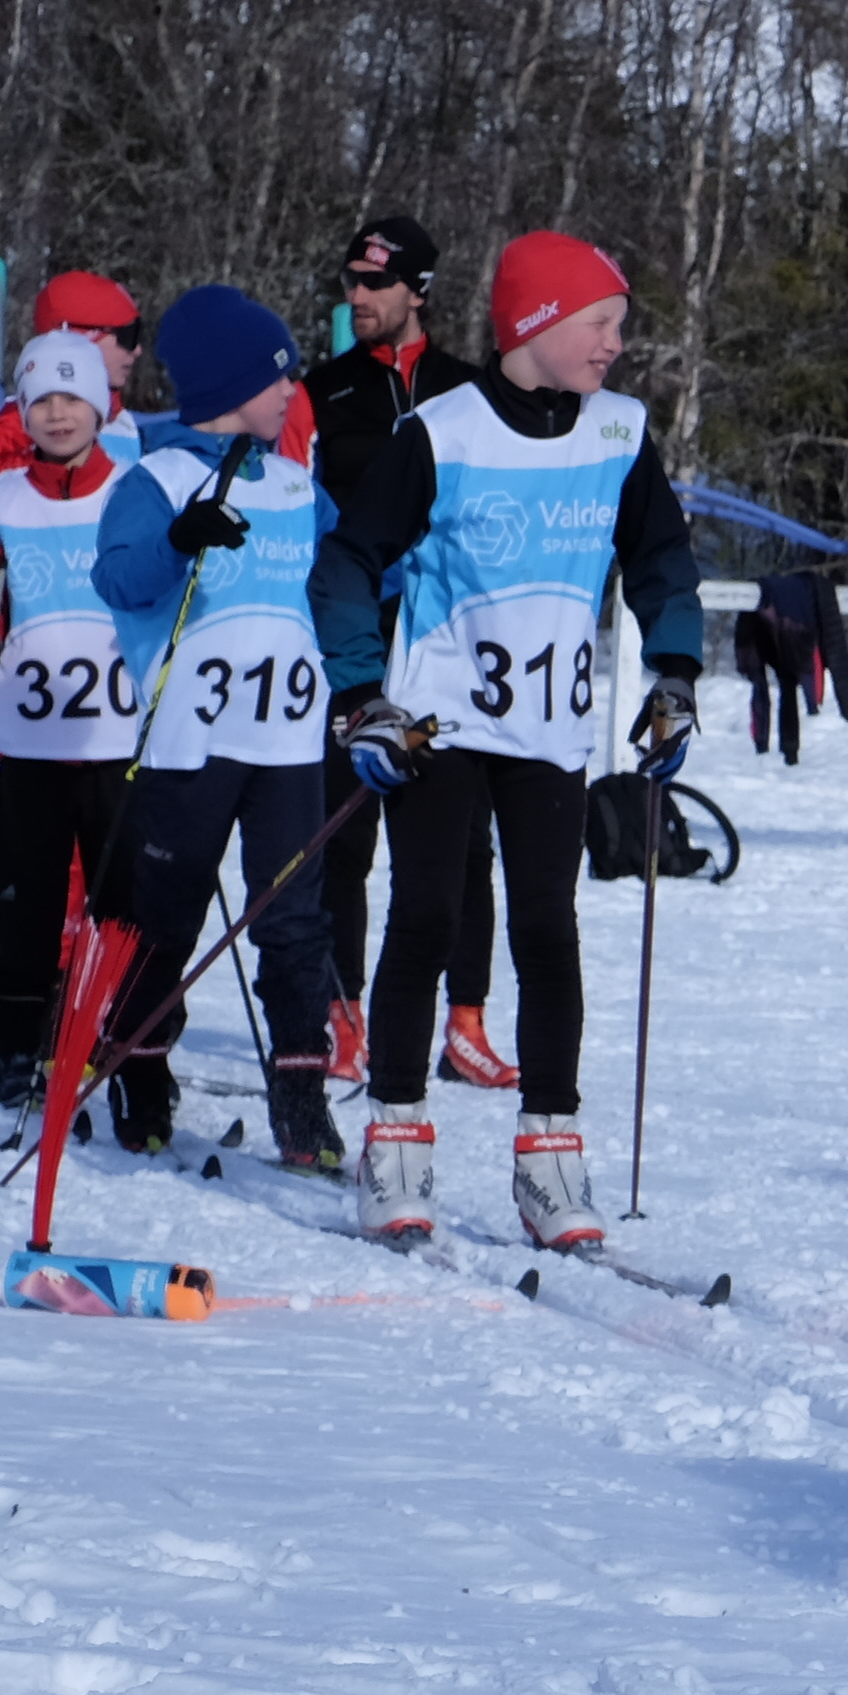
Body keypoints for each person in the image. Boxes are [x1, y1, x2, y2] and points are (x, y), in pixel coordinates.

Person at [311, 230, 709, 1251]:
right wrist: (361, 697)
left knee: (547, 930)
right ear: (535, 323)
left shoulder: (618, 432)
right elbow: (348, 561)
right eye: (599, 323)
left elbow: (660, 556)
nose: (615, 343)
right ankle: (396, 1145)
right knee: (428, 918)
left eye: (619, 324)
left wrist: (674, 673)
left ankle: (549, 1159)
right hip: (439, 724)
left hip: (548, 729)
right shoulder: (442, 433)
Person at [84, 287, 347, 1174]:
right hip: (190, 743)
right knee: (166, 913)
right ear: (234, 384)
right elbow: (119, 580)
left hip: (289, 742)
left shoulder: (296, 483)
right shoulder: (156, 479)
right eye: (280, 377)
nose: (292, 391)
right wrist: (179, 539)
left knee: (295, 921)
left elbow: (346, 575)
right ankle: (140, 1071)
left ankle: (302, 1098)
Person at [303, 213, 503, 1093]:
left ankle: (467, 1023)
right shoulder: (323, 391)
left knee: (464, 841)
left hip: (449, 645)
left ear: (418, 291)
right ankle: (343, 1017)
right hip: (357, 641)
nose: (359, 296)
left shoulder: (468, 388)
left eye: (376, 282)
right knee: (344, 835)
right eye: (351, 280)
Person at [0, 330, 149, 1112]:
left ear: (100, 407)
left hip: (119, 743)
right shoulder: (1, 504)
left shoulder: (133, 491)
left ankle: (125, 1044)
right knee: (23, 906)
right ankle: (14, 1044)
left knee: (127, 906)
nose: (58, 415)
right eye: (42, 401)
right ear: (22, 411)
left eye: (73, 398)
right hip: (31, 744)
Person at [0, 271, 154, 490]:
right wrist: (54, 460)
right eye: (127, 336)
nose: (137, 350)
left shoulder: (121, 419)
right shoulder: (34, 411)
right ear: (82, 336)